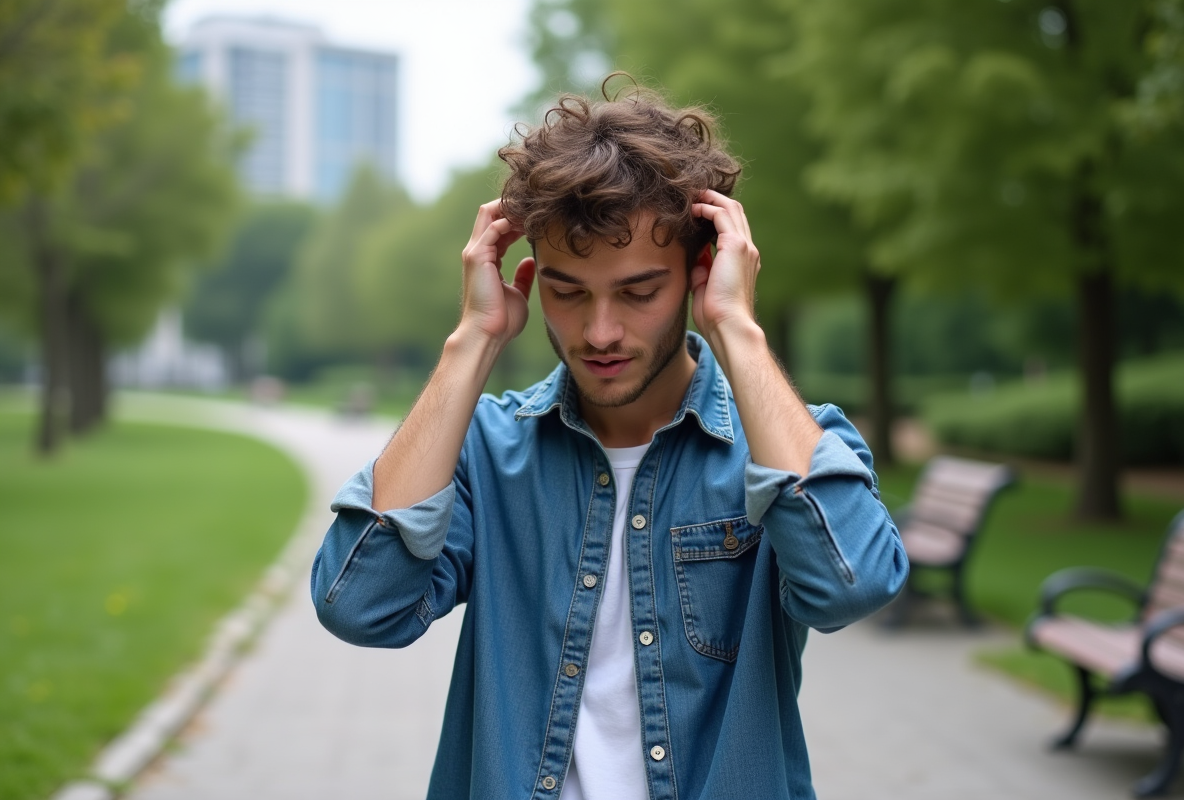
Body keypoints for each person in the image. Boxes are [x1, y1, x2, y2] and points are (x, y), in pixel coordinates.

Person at [311, 77, 909, 800]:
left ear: (698, 273)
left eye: (638, 292)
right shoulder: (486, 451)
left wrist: (738, 329)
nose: (599, 333)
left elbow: (852, 586)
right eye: (567, 292)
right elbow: (359, 606)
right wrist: (472, 341)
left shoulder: (785, 445)